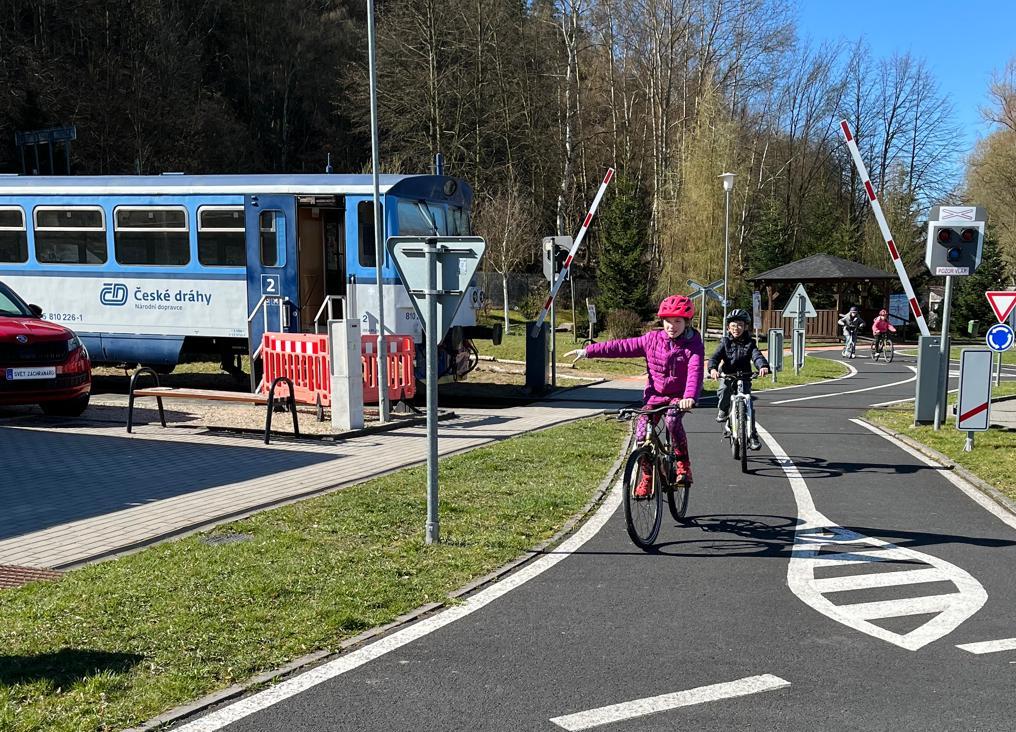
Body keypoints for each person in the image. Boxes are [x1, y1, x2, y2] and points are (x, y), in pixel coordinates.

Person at [566, 295, 703, 497]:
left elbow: (695, 372)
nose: (672, 326)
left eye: (677, 321)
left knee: (672, 421)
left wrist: (689, 397)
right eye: (668, 321)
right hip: (654, 397)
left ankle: (683, 464)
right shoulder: (652, 340)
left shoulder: (693, 344)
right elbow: (621, 347)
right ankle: (647, 476)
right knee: (640, 436)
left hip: (678, 397)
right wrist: (588, 351)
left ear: (686, 322)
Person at [708, 309, 770, 451]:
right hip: (728, 375)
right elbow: (714, 357)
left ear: (745, 327)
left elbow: (757, 356)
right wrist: (712, 369)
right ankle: (723, 410)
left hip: (745, 376)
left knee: (748, 405)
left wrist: (763, 366)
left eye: (740, 325)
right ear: (728, 327)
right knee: (724, 390)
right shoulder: (725, 342)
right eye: (733, 325)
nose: (737, 328)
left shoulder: (750, 343)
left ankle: (752, 436)